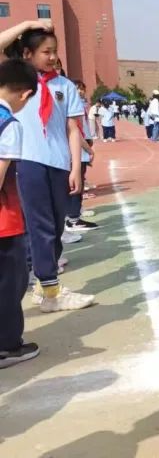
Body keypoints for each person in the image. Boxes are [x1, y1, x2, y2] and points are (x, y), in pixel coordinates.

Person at [0, 21, 94, 312]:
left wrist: (76, 167)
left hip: (59, 163)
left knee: (54, 228)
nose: (52, 57)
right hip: (28, 162)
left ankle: (44, 286)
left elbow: (72, 129)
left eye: (55, 51)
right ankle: (51, 290)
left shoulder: (64, 86)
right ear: (27, 53)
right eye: (46, 51)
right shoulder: (18, 80)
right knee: (40, 228)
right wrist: (28, 24)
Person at [0, 59, 41, 366]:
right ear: (26, 96)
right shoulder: (9, 125)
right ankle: (8, 345)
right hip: (5, 223)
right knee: (11, 283)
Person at [65, 80, 98, 233]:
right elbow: (75, 132)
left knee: (79, 184)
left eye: (82, 89)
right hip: (78, 150)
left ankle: (74, 216)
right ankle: (72, 219)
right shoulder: (71, 109)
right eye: (77, 89)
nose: (80, 92)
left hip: (82, 148)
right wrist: (89, 150)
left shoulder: (80, 106)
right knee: (75, 186)